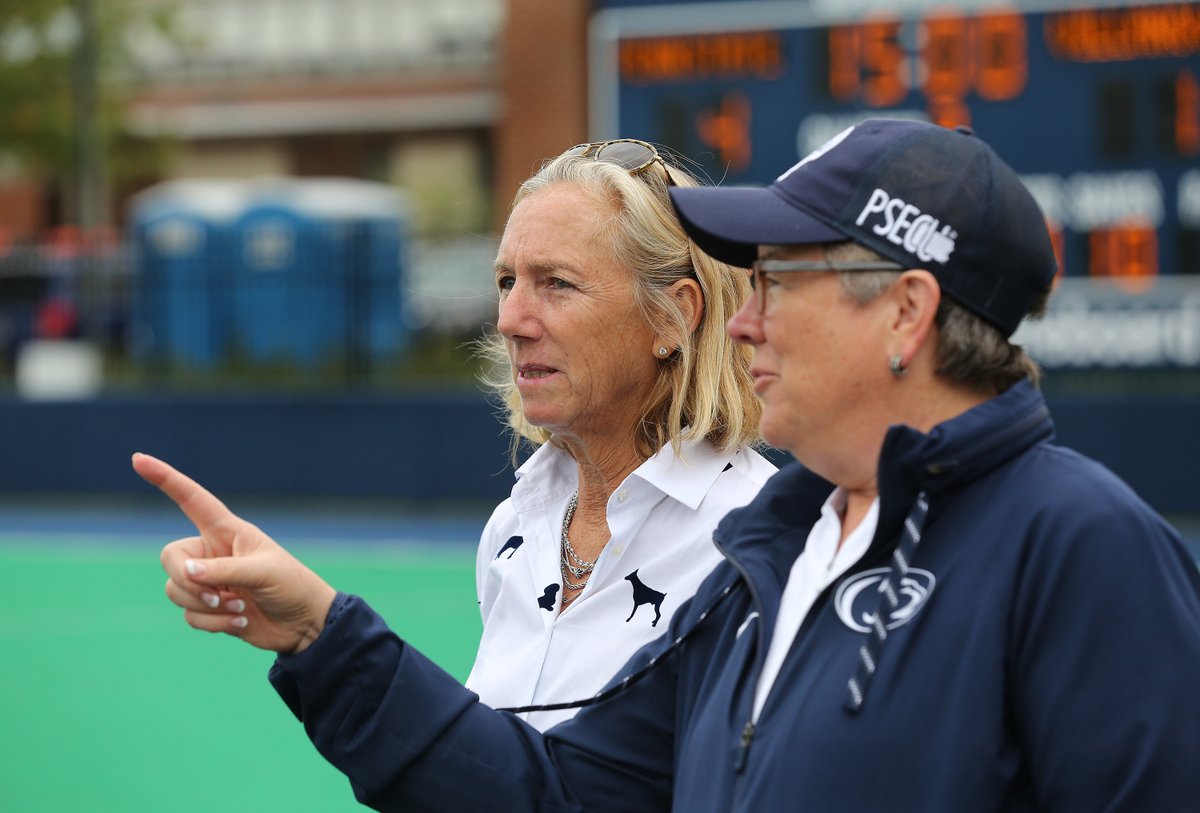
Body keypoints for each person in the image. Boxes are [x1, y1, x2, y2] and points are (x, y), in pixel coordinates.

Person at [139, 118, 1200, 812]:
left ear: (907, 312)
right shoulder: (775, 559)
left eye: (781, 282)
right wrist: (324, 639)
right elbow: (555, 800)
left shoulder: (1082, 545)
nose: (744, 325)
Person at [465, 139, 775, 728]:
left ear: (673, 315)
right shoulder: (513, 530)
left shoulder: (757, 537)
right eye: (508, 281)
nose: (510, 320)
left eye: (556, 283)